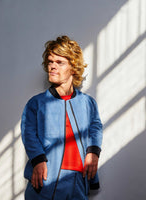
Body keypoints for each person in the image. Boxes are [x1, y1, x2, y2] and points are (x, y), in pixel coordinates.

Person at [21, 35, 103, 200]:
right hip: (46, 178)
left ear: (73, 67)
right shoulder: (36, 103)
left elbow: (96, 127)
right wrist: (38, 160)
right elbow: (28, 132)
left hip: (79, 178)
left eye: (59, 62)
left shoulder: (88, 103)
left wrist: (93, 152)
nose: (52, 67)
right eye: (50, 62)